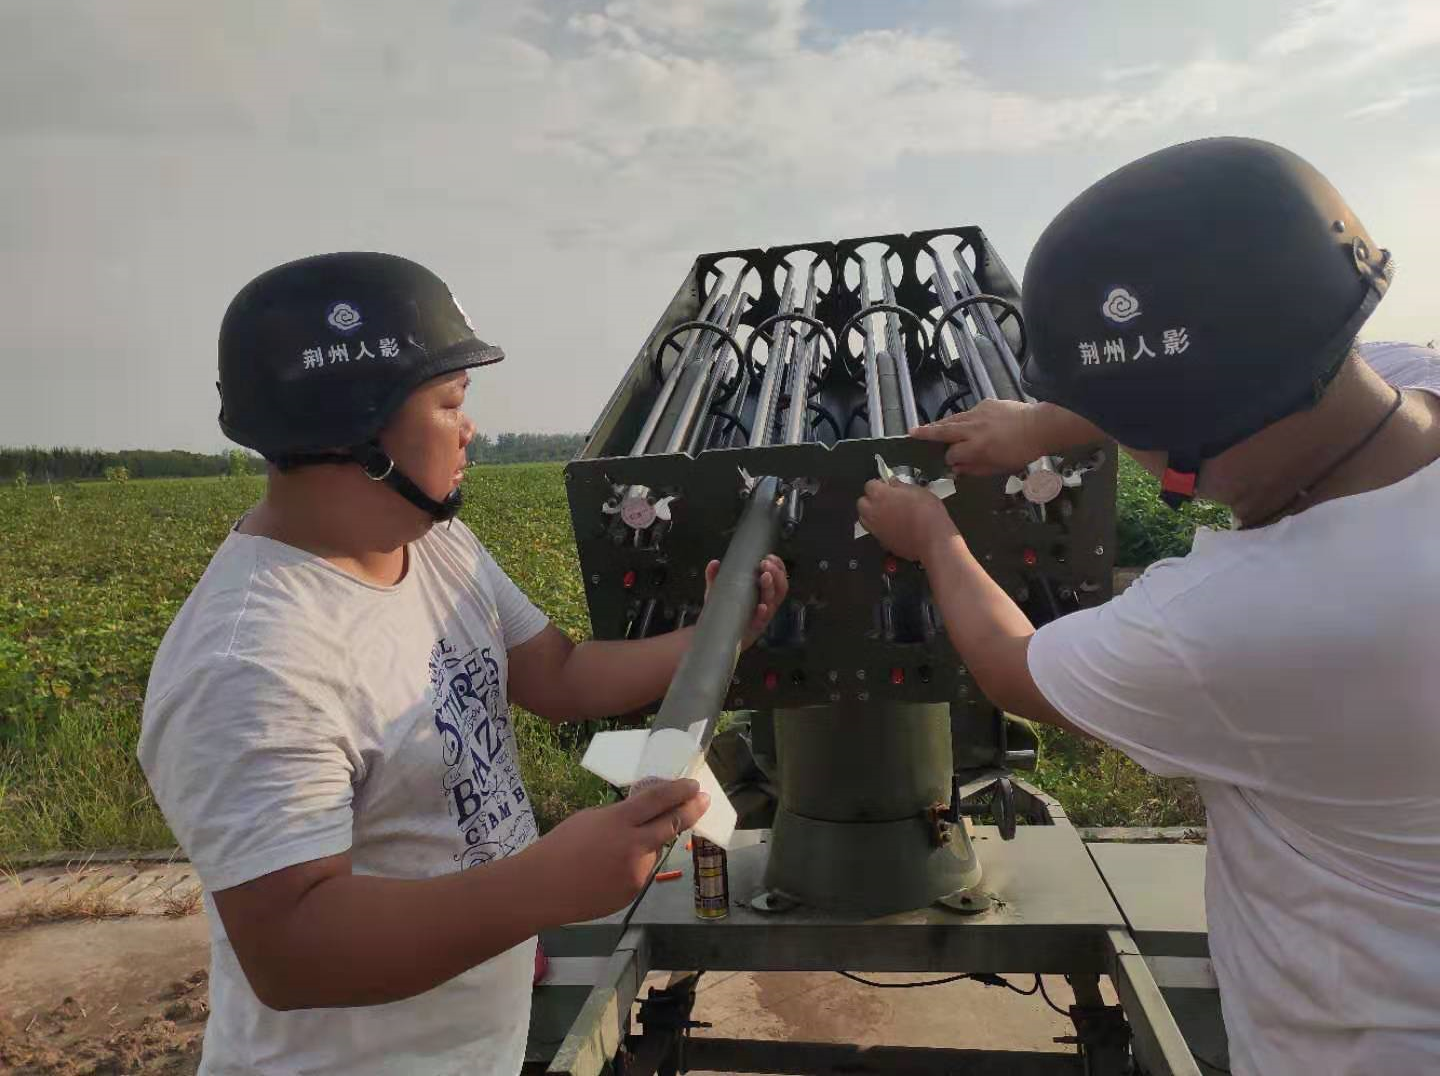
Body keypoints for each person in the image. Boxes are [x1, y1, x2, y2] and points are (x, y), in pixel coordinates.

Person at [857, 138, 1440, 1075]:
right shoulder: (1401, 390)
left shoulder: (1242, 618)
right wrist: (1052, 420)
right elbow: (1269, 357)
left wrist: (933, 538)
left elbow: (1013, 666)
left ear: (1183, 446)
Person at [138, 252, 788, 1075]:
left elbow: (558, 674)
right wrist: (546, 887)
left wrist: (720, 636)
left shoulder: (433, 542)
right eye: (451, 403)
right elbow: (291, 952)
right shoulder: (251, 662)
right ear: (361, 432)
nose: (470, 427)